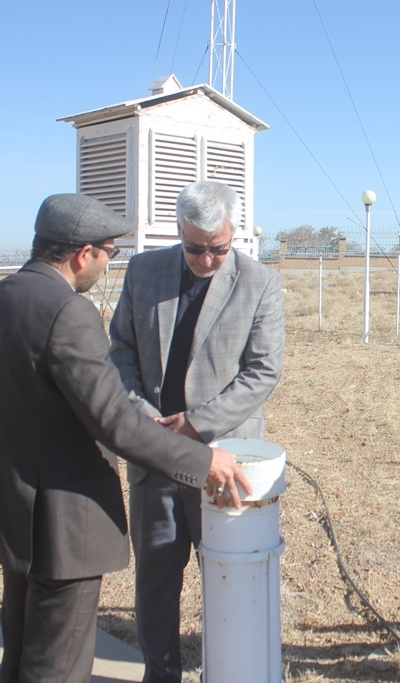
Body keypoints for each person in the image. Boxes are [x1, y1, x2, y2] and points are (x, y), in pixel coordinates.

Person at [0, 193, 250, 683]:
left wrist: (13, 473)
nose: (108, 265)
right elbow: (117, 422)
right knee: (58, 664)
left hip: (9, 510)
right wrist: (203, 461)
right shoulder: (68, 312)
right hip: (63, 525)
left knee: (21, 650)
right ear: (83, 254)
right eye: (108, 253)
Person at [109, 180, 285, 683]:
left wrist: (196, 423)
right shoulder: (143, 271)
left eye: (219, 249)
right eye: (195, 248)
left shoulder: (260, 283)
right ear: (179, 230)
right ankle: (160, 673)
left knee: (229, 580)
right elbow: (120, 350)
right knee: (156, 583)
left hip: (222, 460)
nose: (207, 259)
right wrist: (146, 418)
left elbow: (262, 372)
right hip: (155, 456)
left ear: (234, 235)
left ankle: (227, 671)